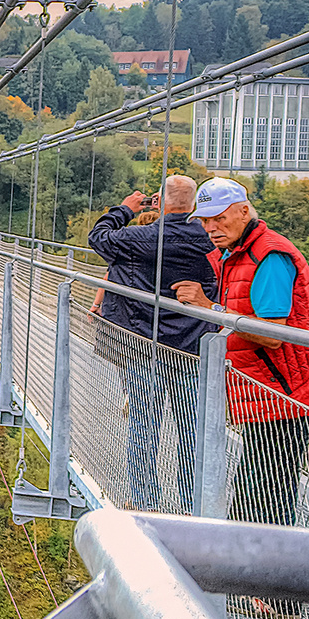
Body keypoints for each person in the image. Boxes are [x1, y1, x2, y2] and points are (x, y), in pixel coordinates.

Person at [173, 177, 309, 619]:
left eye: (218, 217)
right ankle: (253, 585)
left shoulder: (270, 256)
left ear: (243, 211)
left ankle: (268, 592)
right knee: (260, 488)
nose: (210, 227)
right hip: (270, 391)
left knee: (266, 490)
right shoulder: (239, 253)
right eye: (204, 220)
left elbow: (268, 334)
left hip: (287, 392)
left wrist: (209, 307)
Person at [88, 174, 218, 512]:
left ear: (158, 201)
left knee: (144, 427)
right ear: (193, 205)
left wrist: (125, 209)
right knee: (191, 432)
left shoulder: (139, 237)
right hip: (191, 349)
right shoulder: (211, 242)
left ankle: (145, 502)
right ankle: (192, 506)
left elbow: (98, 238)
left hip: (143, 346)